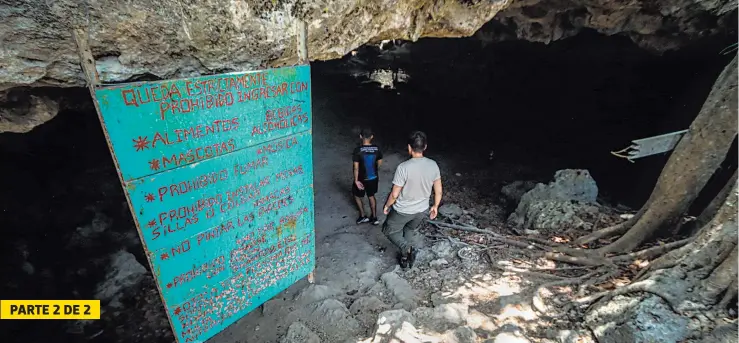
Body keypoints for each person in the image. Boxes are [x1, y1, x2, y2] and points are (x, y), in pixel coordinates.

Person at [382, 131, 442, 269]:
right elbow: (438, 190)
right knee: (409, 229)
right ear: (425, 147)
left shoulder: (403, 168)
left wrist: (387, 205)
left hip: (403, 210)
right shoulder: (433, 165)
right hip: (422, 210)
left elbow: (395, 193)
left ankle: (407, 249)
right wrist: (436, 206)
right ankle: (405, 258)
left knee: (388, 230)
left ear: (409, 147)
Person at [352, 127, 383, 225]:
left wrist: (356, 180)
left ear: (361, 136)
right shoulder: (377, 149)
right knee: (371, 196)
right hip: (373, 177)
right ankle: (374, 217)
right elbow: (379, 163)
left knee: (357, 195)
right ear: (372, 137)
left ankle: (362, 216)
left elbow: (356, 167)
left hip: (361, 178)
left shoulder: (358, 150)